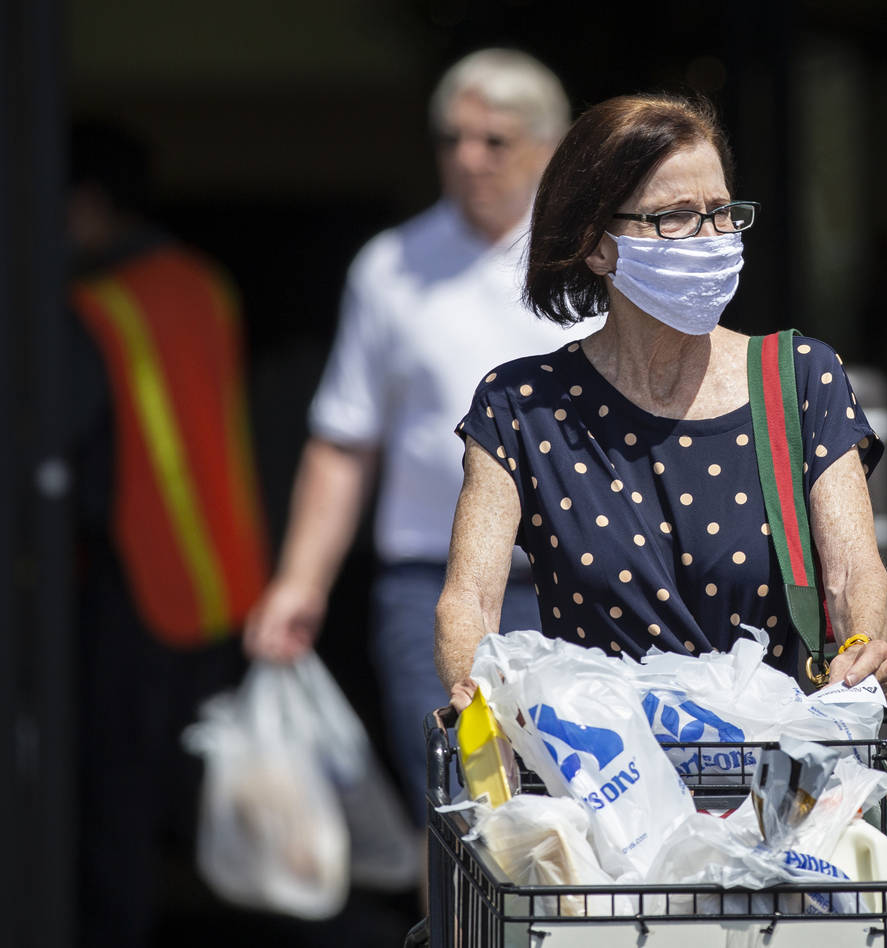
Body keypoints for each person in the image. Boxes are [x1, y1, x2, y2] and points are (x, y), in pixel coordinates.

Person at [436, 93, 887, 709]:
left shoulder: (797, 380)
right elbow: (468, 600)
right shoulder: (520, 406)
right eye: (675, 216)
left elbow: (851, 574)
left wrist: (863, 642)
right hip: (602, 776)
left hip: (772, 774)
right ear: (597, 246)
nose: (711, 238)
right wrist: (479, 695)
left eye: (722, 212)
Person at [243, 49, 578, 824]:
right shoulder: (391, 266)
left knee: (580, 817)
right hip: (428, 587)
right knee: (458, 816)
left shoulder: (594, 259)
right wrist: (300, 582)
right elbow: (343, 439)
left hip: (575, 586)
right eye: (450, 138)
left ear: (551, 146)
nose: (468, 157)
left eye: (495, 140)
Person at [67, 119, 270, 947]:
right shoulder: (205, 284)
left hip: (134, 583)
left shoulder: (89, 306)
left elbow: (73, 464)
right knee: (220, 804)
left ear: (84, 204)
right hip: (229, 580)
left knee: (116, 811)